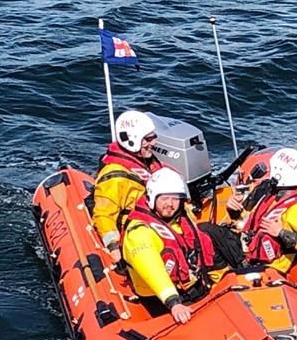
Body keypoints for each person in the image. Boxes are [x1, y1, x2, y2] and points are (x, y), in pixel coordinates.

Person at [122, 168, 221, 324]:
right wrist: (173, 302)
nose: (170, 204)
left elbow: (201, 248)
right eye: (165, 198)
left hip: (190, 285)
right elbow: (152, 269)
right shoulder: (139, 232)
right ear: (152, 198)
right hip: (160, 297)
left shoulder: (180, 219)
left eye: (175, 199)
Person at [226, 147, 297, 274]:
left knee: (209, 235)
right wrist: (232, 209)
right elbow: (246, 220)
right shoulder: (269, 192)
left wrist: (281, 232)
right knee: (209, 233)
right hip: (247, 246)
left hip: (268, 263)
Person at [92, 110, 163, 263]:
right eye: (148, 139)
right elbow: (104, 216)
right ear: (134, 139)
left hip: (158, 221)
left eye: (153, 137)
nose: (154, 143)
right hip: (137, 235)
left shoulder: (147, 163)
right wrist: (114, 248)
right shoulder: (115, 178)